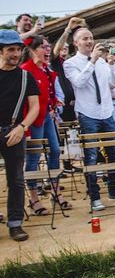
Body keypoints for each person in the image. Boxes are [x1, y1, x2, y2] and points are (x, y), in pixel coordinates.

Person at [63, 27, 115, 211]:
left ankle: (114, 190)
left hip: (106, 112)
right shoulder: (70, 63)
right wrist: (92, 60)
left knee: (114, 153)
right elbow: (78, 82)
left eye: (91, 38)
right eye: (84, 38)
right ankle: (94, 197)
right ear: (76, 42)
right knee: (91, 157)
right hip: (88, 114)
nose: (89, 41)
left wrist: (111, 64)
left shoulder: (101, 62)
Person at [21, 35, 72, 214]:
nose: (48, 50)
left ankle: (55, 191)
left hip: (47, 116)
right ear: (33, 50)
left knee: (56, 151)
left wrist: (54, 102)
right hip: (32, 119)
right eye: (44, 47)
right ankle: (33, 198)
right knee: (33, 158)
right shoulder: (25, 70)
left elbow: (49, 91)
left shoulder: (45, 69)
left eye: (48, 47)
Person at [0, 30, 39, 241]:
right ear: (1, 51)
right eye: (11, 50)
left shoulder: (26, 76)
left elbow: (34, 107)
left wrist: (21, 127)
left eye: (18, 49)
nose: (16, 54)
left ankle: (15, 224)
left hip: (14, 131)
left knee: (15, 180)